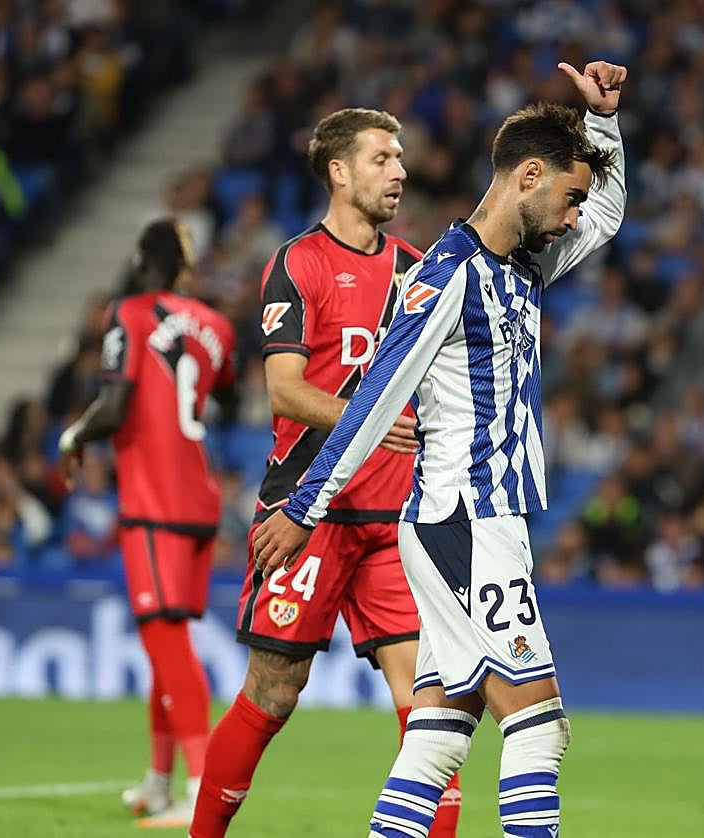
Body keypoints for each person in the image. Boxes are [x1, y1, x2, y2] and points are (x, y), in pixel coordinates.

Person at [252, 60, 627, 837]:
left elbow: (609, 217)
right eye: (568, 198)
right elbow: (374, 401)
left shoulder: (525, 260)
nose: (573, 218)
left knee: (438, 736)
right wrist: (303, 507)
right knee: (538, 727)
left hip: (475, 521)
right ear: (528, 177)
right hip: (466, 521)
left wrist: (602, 125)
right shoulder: (445, 277)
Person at [191, 107, 461, 838]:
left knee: (432, 715)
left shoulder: (415, 271)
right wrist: (370, 418)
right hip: (308, 514)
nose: (399, 171)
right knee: (273, 693)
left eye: (400, 158)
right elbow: (284, 391)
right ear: (339, 172)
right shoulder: (298, 264)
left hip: (393, 521)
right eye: (381, 158)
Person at [58, 218, 237, 828]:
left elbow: (114, 404)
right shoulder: (214, 325)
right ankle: (160, 782)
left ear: (141, 259)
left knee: (167, 643)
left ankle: (199, 789)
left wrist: (73, 436)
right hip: (199, 497)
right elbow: (228, 395)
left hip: (154, 500)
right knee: (167, 644)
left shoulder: (129, 312)